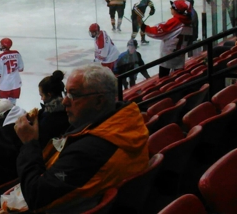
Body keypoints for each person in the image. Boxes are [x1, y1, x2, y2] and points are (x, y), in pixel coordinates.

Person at [14, 64, 149, 213]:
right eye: (66, 93)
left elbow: (36, 195)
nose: (65, 101)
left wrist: (29, 143)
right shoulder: (123, 121)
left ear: (99, 101)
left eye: (74, 95)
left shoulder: (90, 152)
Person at [139, 0, 193, 78]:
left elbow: (159, 31)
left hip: (168, 56)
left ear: (177, 10)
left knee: (164, 80)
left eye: (172, 7)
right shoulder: (188, 23)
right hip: (180, 56)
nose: (170, 8)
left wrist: (144, 27)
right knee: (178, 78)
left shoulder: (176, 21)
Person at [37, 70, 69, 149]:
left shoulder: (48, 118)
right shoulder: (69, 110)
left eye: (42, 95)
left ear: (49, 95)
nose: (41, 98)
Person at [0, 37, 24, 104]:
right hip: (16, 84)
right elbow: (21, 68)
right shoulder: (16, 53)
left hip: (4, 85)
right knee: (13, 104)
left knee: (3, 105)